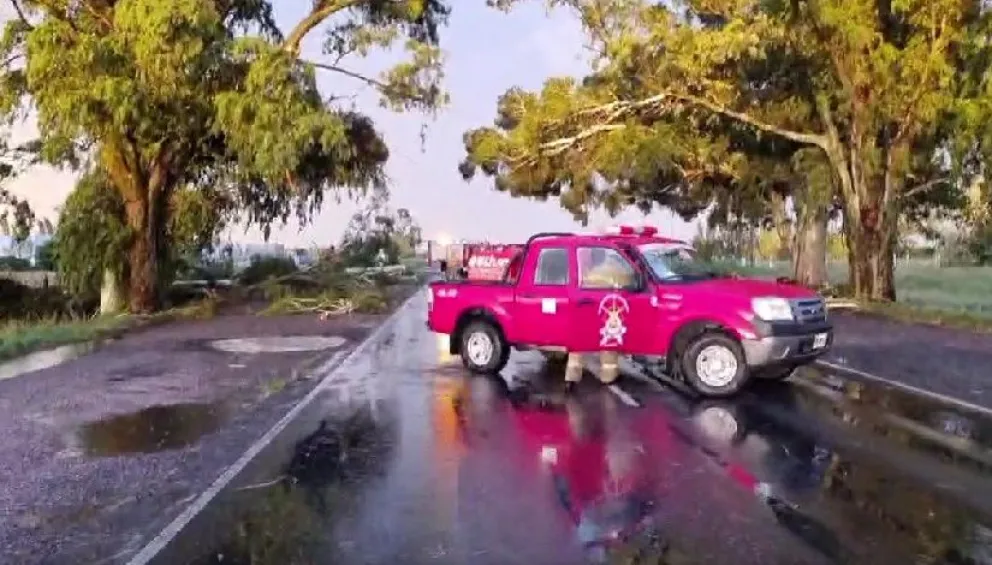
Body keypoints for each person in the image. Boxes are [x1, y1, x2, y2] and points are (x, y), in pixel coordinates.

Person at [564, 248, 636, 393]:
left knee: (578, 346)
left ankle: (571, 377)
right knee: (608, 346)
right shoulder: (616, 271)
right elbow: (631, 284)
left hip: (586, 313)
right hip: (606, 315)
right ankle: (608, 377)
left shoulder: (590, 274)